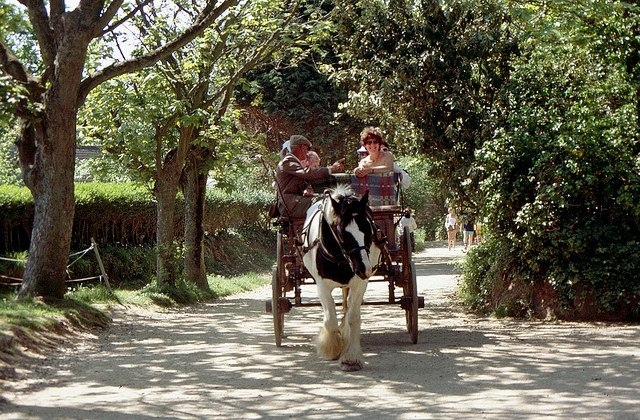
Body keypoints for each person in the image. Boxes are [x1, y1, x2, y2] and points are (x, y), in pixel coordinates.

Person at [275, 135, 344, 218]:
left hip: (296, 202)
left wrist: (308, 189)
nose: (307, 152)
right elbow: (307, 174)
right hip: (291, 205)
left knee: (332, 200)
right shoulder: (288, 161)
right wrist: (331, 169)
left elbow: (305, 179)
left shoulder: (294, 162)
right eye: (307, 149)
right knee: (328, 203)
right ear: (302, 148)